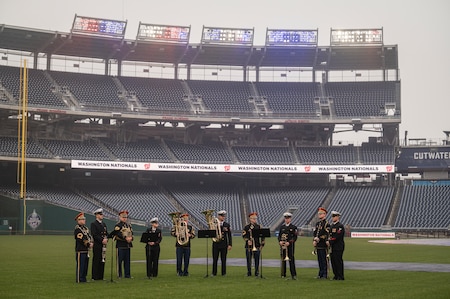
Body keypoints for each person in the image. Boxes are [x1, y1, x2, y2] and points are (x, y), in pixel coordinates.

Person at [108, 210, 133, 278]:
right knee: (119, 261)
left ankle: (127, 274)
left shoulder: (128, 225)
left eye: (125, 217)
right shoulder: (118, 225)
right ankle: (119, 274)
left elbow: (131, 233)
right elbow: (118, 233)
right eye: (123, 217)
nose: (125, 218)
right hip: (120, 245)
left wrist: (130, 238)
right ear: (120, 217)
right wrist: (125, 238)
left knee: (127, 261)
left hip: (127, 245)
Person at [242, 212, 265, 277]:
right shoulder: (246, 227)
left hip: (257, 245)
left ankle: (257, 272)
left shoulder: (259, 226)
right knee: (248, 259)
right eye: (253, 218)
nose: (255, 219)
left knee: (257, 259)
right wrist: (247, 240)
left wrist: (262, 244)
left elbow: (263, 236)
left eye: (255, 218)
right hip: (249, 246)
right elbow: (244, 235)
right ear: (250, 219)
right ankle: (249, 272)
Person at [211, 210, 232, 277]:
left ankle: (223, 273)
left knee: (223, 259)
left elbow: (229, 235)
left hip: (224, 244)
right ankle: (214, 273)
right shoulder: (214, 224)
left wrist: (230, 244)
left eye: (224, 216)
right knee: (215, 259)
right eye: (222, 216)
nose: (223, 217)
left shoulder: (227, 225)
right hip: (216, 244)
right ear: (218, 216)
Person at [74, 212, 93, 283]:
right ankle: (79, 279)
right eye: (82, 219)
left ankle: (84, 278)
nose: (84, 220)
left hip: (86, 250)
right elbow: (80, 239)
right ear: (78, 220)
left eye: (84, 219)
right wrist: (88, 244)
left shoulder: (85, 228)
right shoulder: (78, 229)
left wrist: (91, 242)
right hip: (80, 249)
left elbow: (89, 236)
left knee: (85, 265)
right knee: (80, 265)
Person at [278, 212, 298, 280]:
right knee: (283, 259)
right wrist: (280, 241)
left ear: (290, 219)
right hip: (283, 246)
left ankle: (293, 274)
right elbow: (279, 236)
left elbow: (295, 237)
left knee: (291, 259)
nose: (287, 219)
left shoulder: (293, 227)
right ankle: (283, 273)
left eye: (288, 218)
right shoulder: (282, 227)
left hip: (290, 246)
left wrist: (289, 242)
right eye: (286, 218)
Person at [90, 208, 108, 281]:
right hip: (97, 244)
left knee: (102, 259)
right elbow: (94, 234)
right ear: (96, 215)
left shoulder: (103, 224)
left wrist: (107, 238)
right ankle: (95, 276)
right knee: (96, 259)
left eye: (102, 214)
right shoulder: (94, 224)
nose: (102, 215)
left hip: (103, 245)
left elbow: (106, 233)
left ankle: (101, 276)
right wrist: (102, 240)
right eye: (100, 214)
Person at [313, 207, 331, 279]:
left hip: (323, 244)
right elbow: (315, 233)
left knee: (324, 260)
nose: (319, 215)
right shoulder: (318, 223)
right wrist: (314, 240)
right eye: (319, 214)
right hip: (318, 245)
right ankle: (320, 273)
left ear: (324, 214)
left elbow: (326, 234)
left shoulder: (326, 224)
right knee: (319, 260)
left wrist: (319, 239)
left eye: (321, 213)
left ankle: (324, 274)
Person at [329, 211, 345, 280]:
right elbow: (330, 235)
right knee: (333, 261)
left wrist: (330, 241)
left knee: (338, 261)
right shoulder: (332, 226)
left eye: (334, 216)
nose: (333, 218)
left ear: (338, 217)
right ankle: (335, 275)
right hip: (332, 246)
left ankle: (340, 275)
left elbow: (337, 236)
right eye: (332, 216)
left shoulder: (340, 226)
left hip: (338, 246)